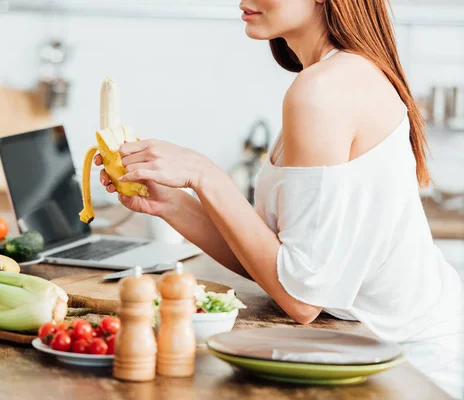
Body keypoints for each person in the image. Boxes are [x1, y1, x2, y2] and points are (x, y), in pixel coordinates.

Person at [94, 0, 463, 398]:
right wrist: (169, 201)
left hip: (411, 369)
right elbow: (281, 265)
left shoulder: (322, 90)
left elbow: (302, 299)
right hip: (368, 348)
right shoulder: (326, 76)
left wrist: (204, 174)